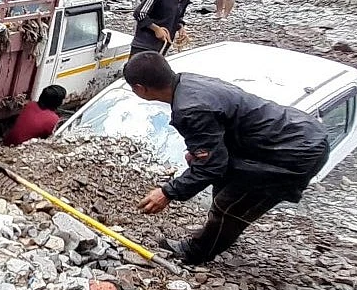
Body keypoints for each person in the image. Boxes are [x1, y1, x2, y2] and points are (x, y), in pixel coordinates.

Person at [125, 52, 330, 265]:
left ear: (140, 88)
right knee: (223, 180)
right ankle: (221, 232)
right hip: (295, 132)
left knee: (229, 203)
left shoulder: (189, 109)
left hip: (295, 151)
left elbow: (211, 166)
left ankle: (195, 253)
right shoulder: (187, 82)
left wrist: (168, 192)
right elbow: (218, 136)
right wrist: (200, 152)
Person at [130, 0, 207, 58]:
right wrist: (156, 29)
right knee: (135, 69)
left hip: (162, 45)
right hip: (144, 43)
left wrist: (181, 27)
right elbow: (139, 13)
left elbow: (178, 17)